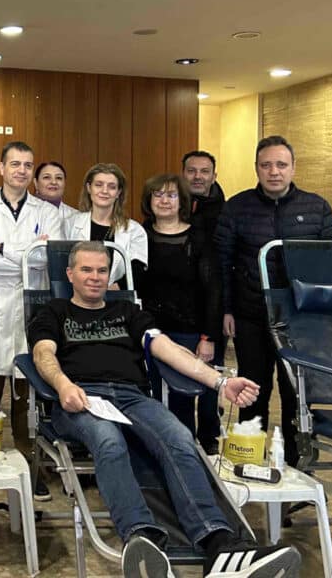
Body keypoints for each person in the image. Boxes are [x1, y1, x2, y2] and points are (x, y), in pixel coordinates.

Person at [30, 241, 301, 578]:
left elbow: (168, 349)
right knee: (109, 441)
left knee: (180, 437)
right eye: (86, 270)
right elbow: (43, 354)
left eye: (102, 270)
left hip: (132, 398)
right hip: (82, 397)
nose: (95, 277)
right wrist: (63, 386)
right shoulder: (54, 312)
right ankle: (142, 540)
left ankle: (219, 544)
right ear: (70, 274)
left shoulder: (128, 313)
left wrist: (219, 382)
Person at [214, 135, 332, 466]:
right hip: (251, 315)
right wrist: (227, 309)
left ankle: (299, 465)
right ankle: (249, 463)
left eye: (281, 165)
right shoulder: (237, 207)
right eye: (266, 165)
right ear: (256, 168)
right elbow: (222, 263)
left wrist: (326, 313)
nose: (274, 172)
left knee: (297, 392)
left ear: (293, 168)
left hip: (301, 318)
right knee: (252, 390)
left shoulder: (317, 207)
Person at [0, 141, 64, 501]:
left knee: (26, 395)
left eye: (27, 165)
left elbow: (46, 257)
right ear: (1, 168)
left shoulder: (47, 212)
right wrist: (26, 253)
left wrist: (3, 249)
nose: (21, 170)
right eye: (15, 164)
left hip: (29, 306)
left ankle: (28, 467)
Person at [138, 173, 222, 454]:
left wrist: (208, 337)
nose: (164, 200)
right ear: (149, 200)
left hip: (189, 331)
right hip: (148, 331)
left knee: (182, 400)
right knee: (150, 398)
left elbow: (213, 290)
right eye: (158, 194)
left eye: (171, 195)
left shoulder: (198, 238)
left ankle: (185, 456)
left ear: (181, 201)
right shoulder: (138, 235)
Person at [65, 163, 147, 288]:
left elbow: (137, 271)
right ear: (89, 188)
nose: (104, 191)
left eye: (111, 187)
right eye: (98, 185)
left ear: (118, 192)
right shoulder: (70, 223)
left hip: (116, 296)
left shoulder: (134, 230)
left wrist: (111, 291)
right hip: (76, 295)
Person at [182, 150, 225, 241]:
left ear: (214, 177)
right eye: (191, 171)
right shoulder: (168, 207)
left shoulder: (226, 212)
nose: (197, 176)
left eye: (204, 171)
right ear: (182, 175)